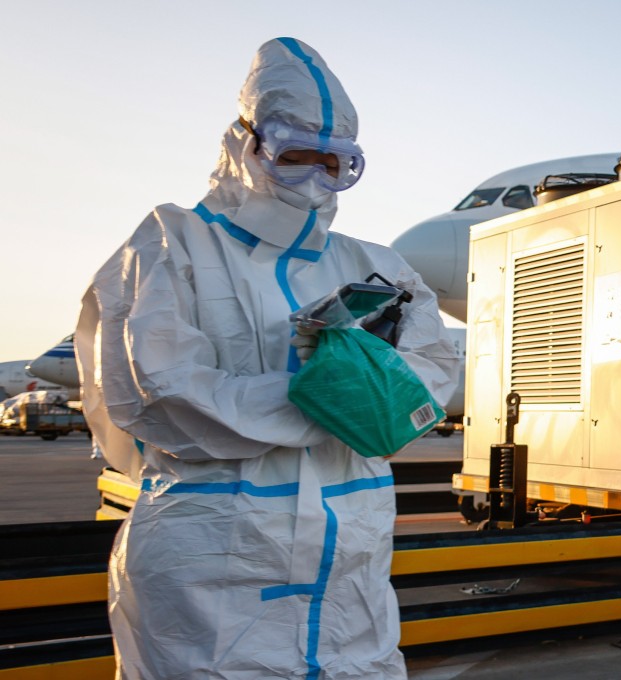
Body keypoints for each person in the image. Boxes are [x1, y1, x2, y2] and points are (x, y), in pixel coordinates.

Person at [75, 37, 460, 679]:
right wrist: (340, 400)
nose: (316, 180)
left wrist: (349, 399)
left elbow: (429, 382)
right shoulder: (172, 244)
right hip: (212, 560)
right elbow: (162, 394)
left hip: (348, 561)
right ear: (246, 146)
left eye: (335, 164)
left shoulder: (377, 265)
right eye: (295, 158)